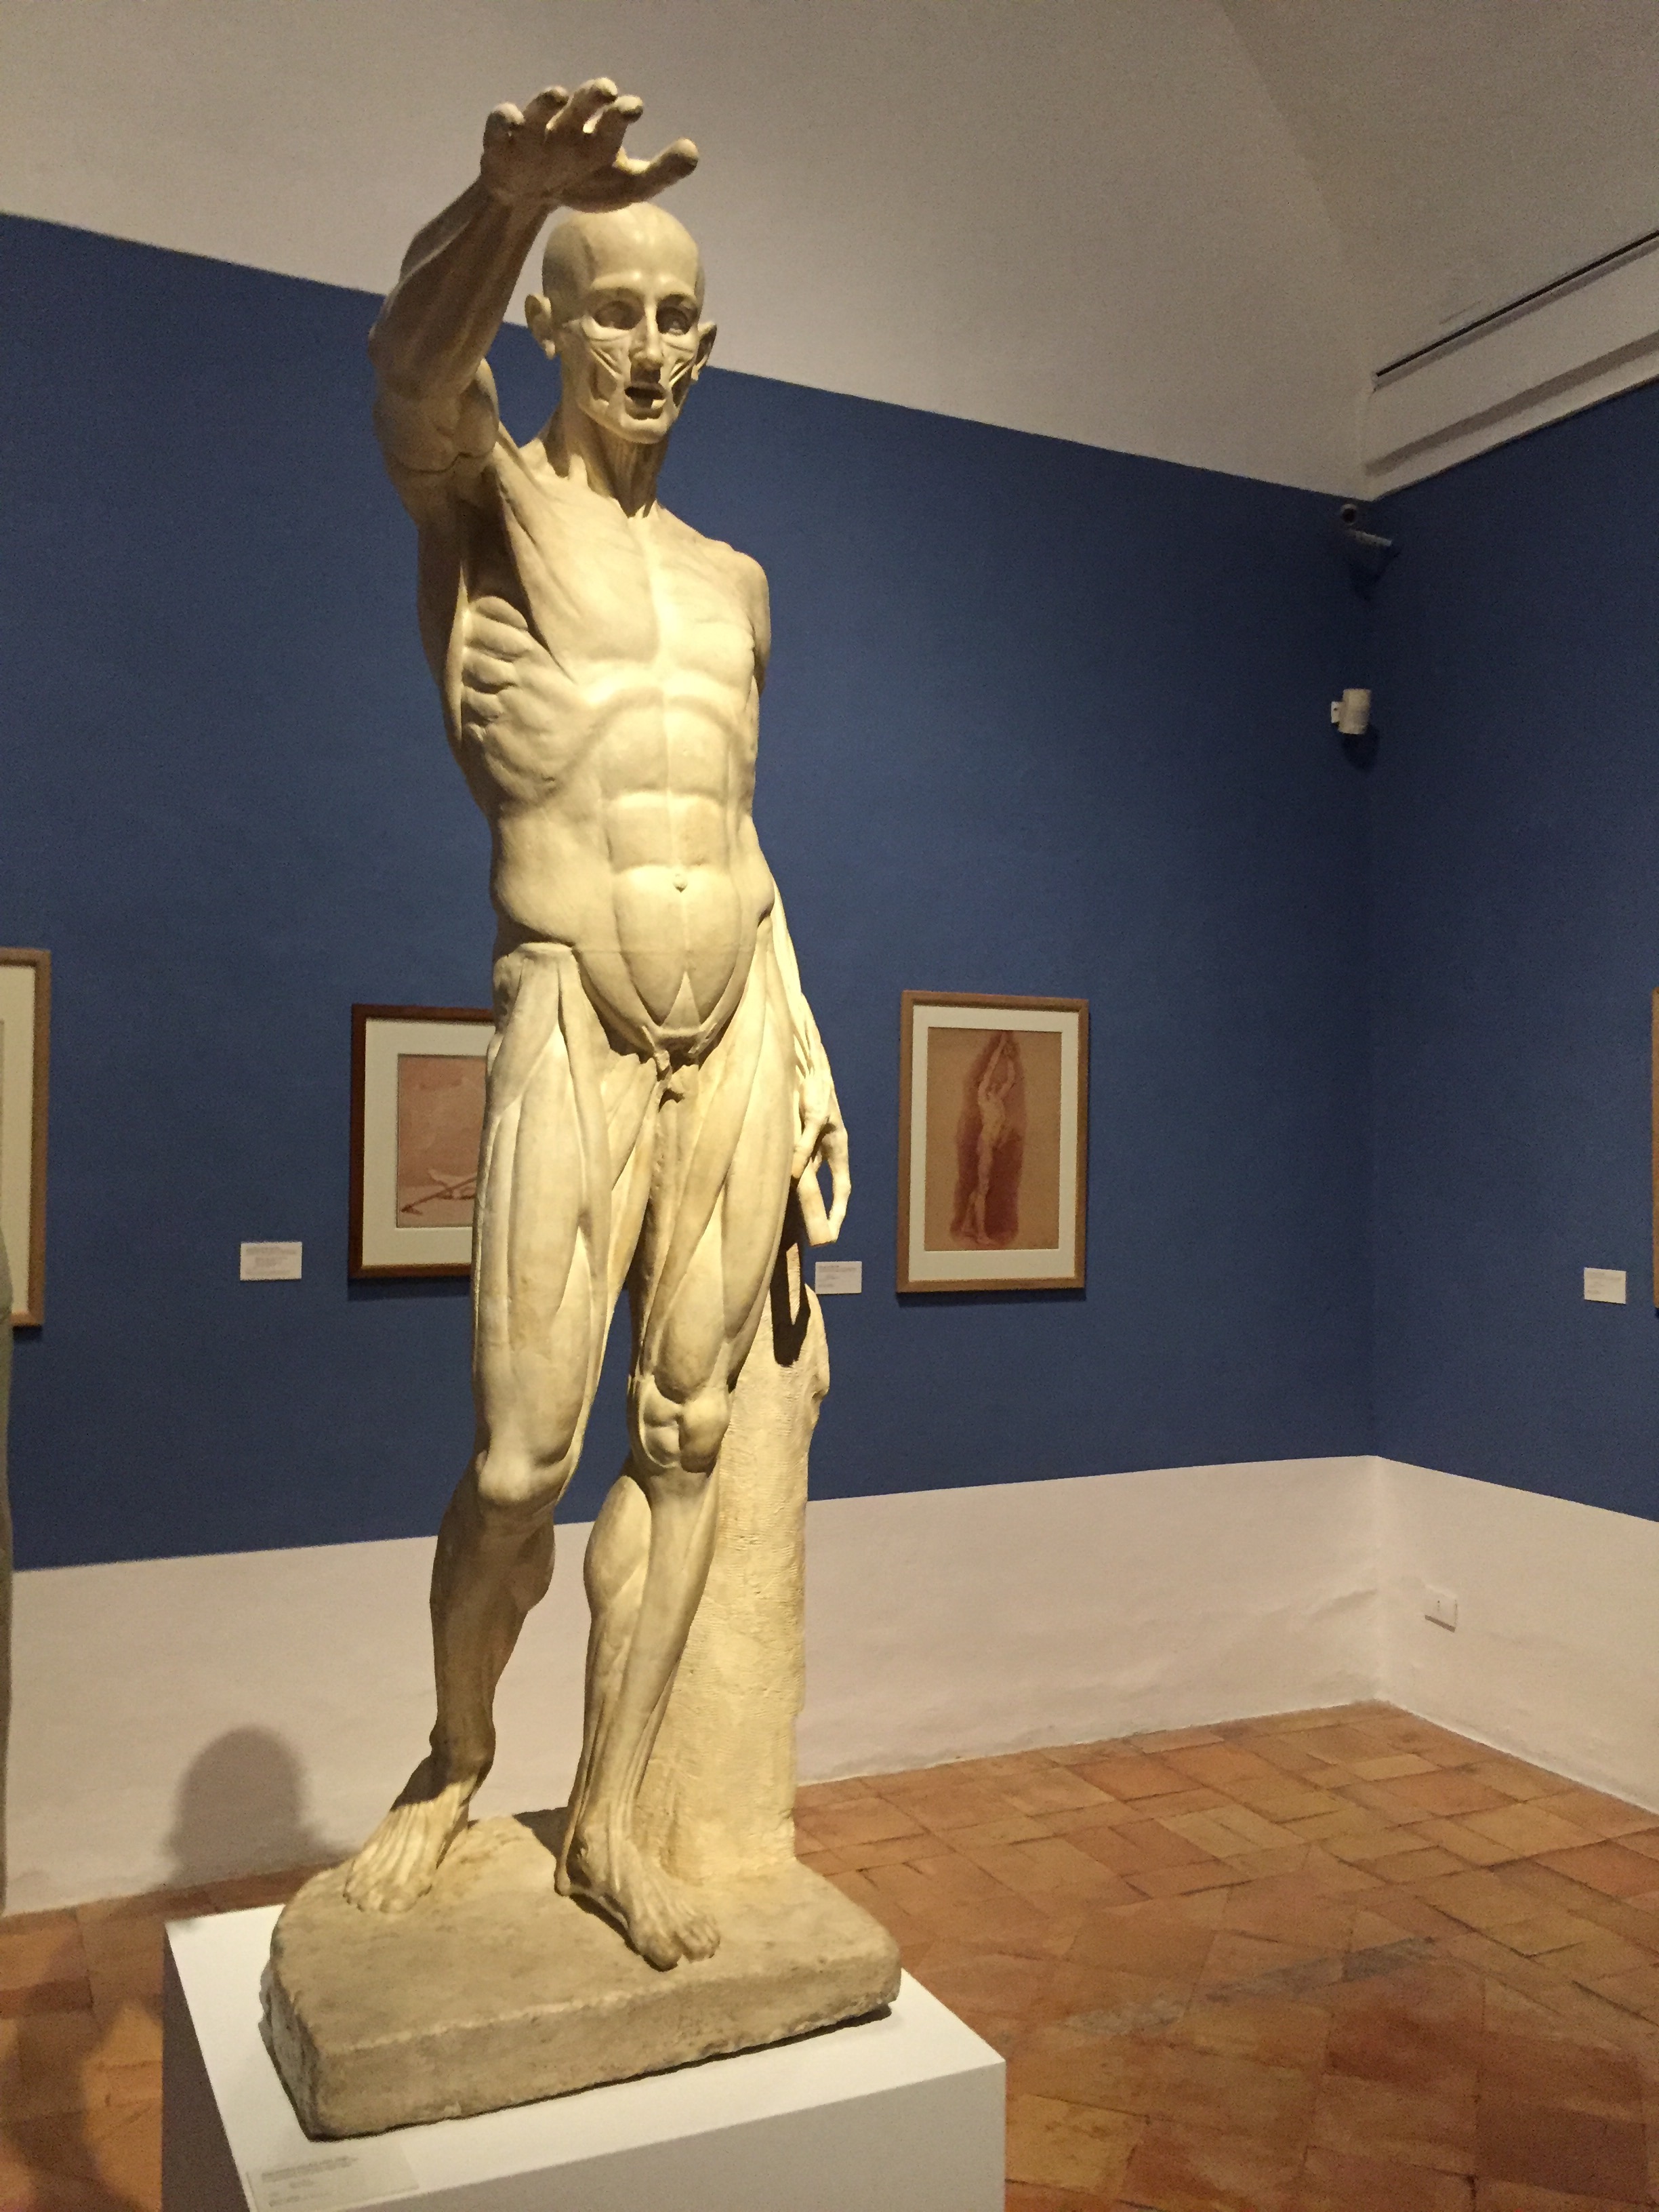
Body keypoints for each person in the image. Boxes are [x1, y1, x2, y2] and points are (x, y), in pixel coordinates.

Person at [344, 78, 848, 1971]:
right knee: (518, 1462)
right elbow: (410, 378)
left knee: (691, 1435)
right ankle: (457, 1753)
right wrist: (499, 207)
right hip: (569, 1003)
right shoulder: (489, 508)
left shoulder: (737, 586)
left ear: (707, 346)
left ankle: (615, 1817)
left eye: (677, 319)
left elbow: (739, 832)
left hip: (732, 1029)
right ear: (553, 327)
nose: (649, 349)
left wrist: (800, 1041)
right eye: (615, 311)